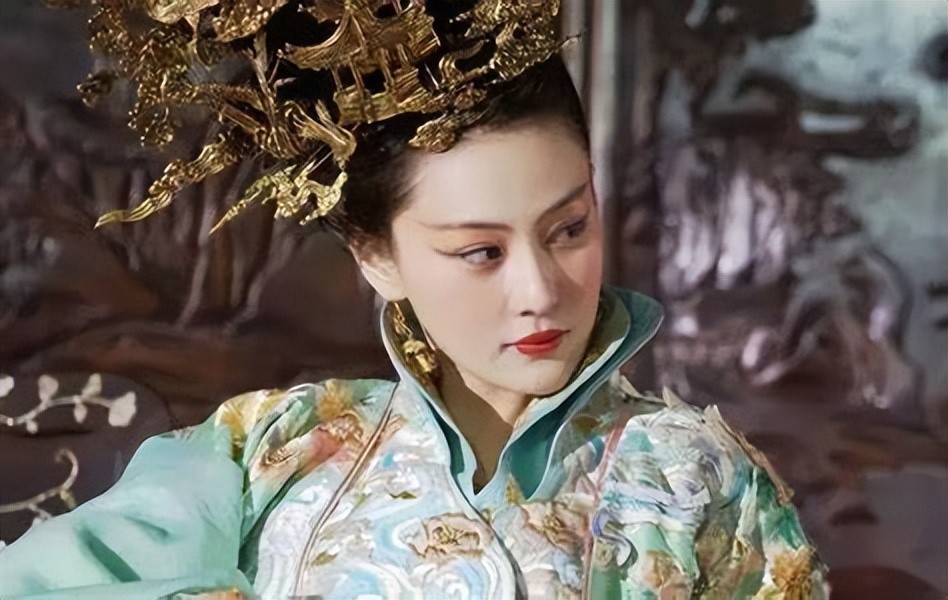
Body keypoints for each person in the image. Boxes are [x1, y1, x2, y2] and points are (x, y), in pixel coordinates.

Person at [0, 1, 828, 598]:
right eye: (480, 252)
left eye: (570, 228)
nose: (541, 290)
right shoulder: (272, 452)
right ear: (377, 258)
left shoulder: (699, 478)